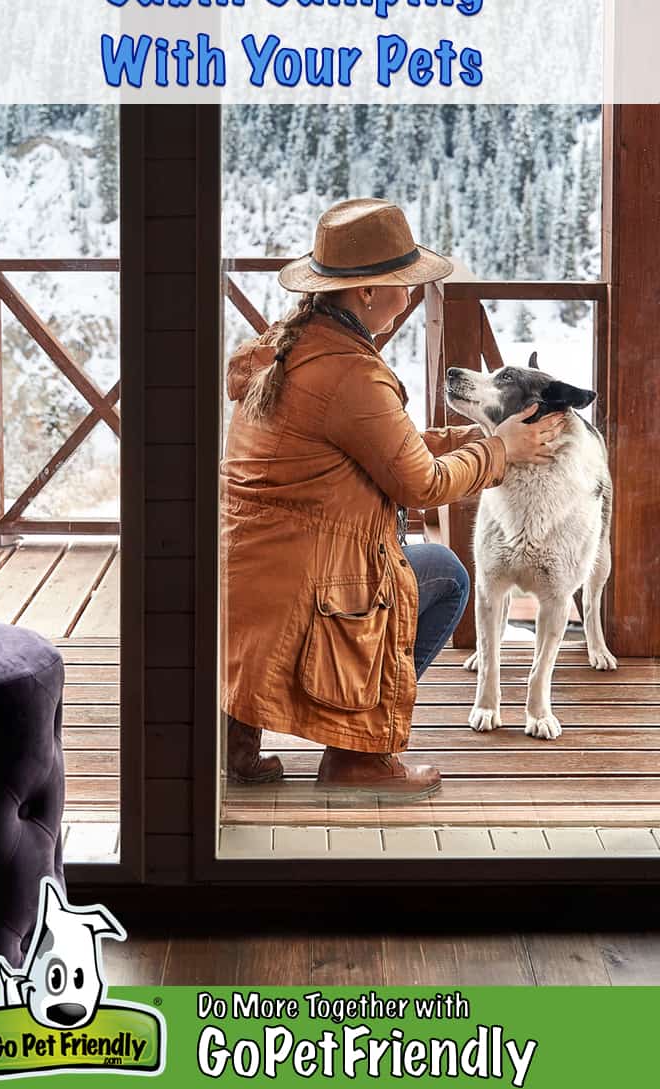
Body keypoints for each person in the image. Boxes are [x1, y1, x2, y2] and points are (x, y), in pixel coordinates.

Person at [220, 198, 564, 798]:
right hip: (310, 581)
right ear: (367, 294)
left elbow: (381, 446)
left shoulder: (291, 345)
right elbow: (421, 483)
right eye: (403, 286)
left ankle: (236, 735)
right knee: (447, 575)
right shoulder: (351, 372)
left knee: (416, 568)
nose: (409, 298)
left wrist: (485, 437)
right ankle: (361, 755)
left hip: (251, 575)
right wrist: (500, 453)